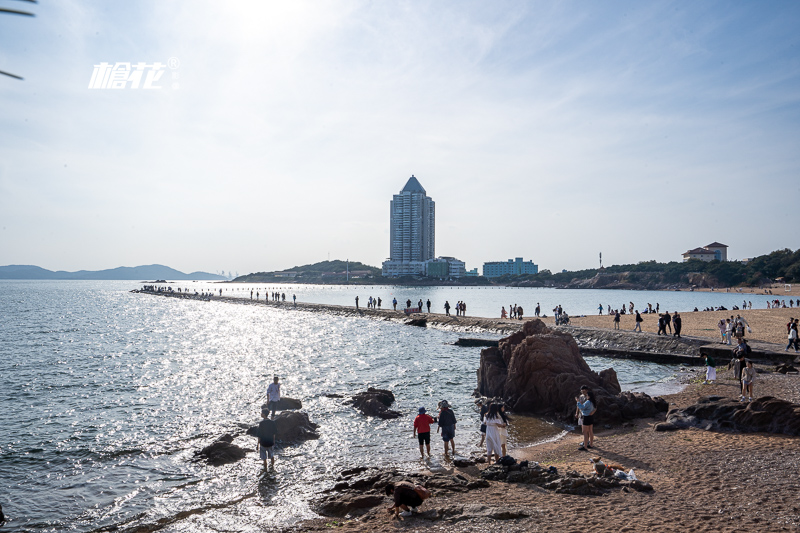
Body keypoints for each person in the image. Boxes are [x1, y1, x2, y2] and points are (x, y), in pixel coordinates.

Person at [576, 386, 596, 450]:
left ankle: (585, 446)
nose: (586, 396)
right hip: (591, 417)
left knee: (584, 432)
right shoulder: (593, 402)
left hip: (586, 417)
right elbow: (595, 408)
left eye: (587, 395)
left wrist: (577, 401)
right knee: (590, 431)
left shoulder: (588, 402)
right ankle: (591, 444)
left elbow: (582, 407)